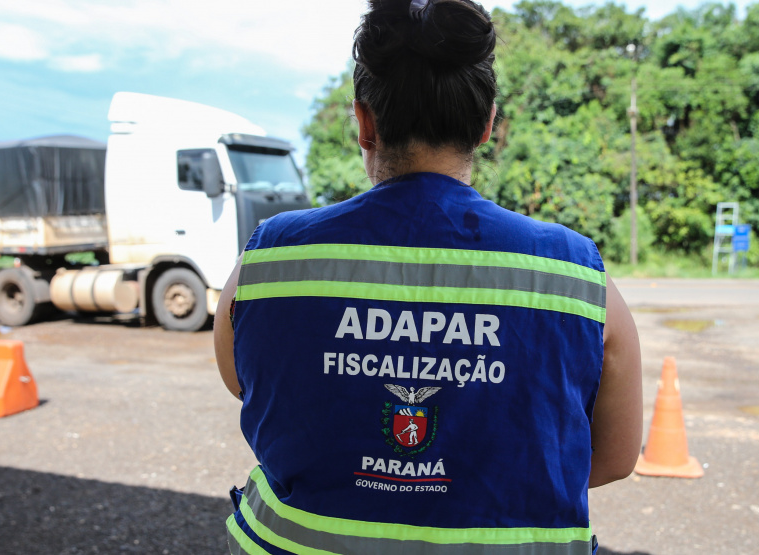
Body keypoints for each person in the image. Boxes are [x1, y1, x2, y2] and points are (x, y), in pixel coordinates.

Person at [214, 0, 642, 553]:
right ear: (486, 124)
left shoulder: (270, 258)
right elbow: (614, 456)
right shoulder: (576, 273)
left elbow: (247, 386)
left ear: (364, 122)